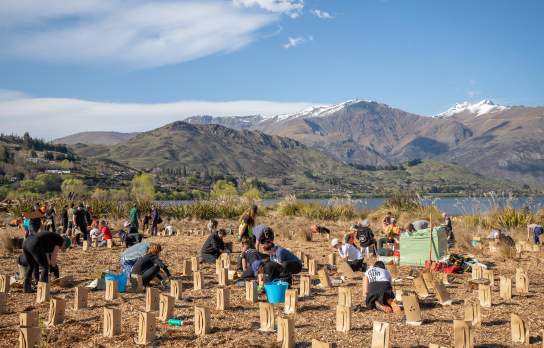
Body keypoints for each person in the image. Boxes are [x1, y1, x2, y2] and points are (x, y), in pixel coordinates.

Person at [22, 220, 70, 292]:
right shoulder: (59, 240)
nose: (62, 249)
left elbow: (46, 257)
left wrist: (50, 265)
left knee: (31, 265)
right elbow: (53, 258)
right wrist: (53, 269)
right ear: (65, 242)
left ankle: (26, 288)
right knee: (45, 267)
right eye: (64, 247)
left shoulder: (50, 240)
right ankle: (42, 290)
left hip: (26, 243)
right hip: (35, 244)